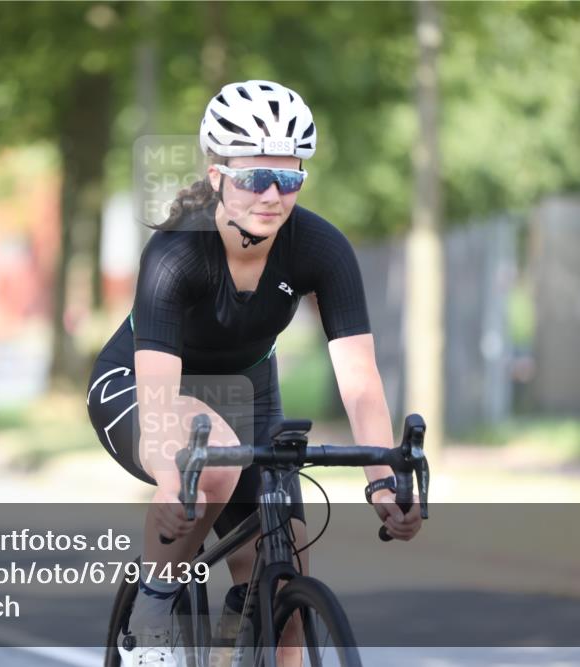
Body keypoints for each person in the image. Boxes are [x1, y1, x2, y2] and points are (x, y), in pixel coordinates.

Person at [87, 80, 422, 667]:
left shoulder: (322, 248)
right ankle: (152, 606)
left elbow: (359, 377)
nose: (272, 194)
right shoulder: (176, 253)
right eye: (253, 177)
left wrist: (382, 478)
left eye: (289, 178)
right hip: (146, 386)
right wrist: (173, 481)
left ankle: (238, 641)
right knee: (207, 464)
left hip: (248, 394)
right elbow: (163, 399)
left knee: (283, 594)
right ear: (218, 176)